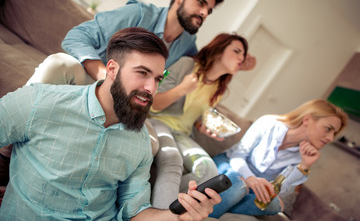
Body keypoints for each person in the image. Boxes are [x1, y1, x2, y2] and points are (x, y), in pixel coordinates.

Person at [0, 27, 221, 221]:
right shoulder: (41, 102)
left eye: (157, 79)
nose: (151, 88)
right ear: (112, 69)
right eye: (142, 73)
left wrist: (179, 215)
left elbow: (136, 213)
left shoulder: (140, 142)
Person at [26, 0, 226, 85]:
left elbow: (205, 64)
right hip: (92, 80)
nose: (203, 13)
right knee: (59, 64)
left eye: (209, 10)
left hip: (123, 103)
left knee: (152, 145)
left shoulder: (187, 43)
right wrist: (103, 74)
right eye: (201, 3)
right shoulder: (138, 14)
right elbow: (76, 36)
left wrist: (236, 59)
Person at [148, 33, 256, 209]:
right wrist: (182, 89)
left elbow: (197, 118)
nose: (241, 58)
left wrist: (203, 127)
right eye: (236, 51)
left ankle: (164, 207)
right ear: (219, 50)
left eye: (243, 56)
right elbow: (154, 103)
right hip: (158, 122)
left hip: (182, 133)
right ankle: (160, 215)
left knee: (208, 171)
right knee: (173, 161)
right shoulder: (186, 65)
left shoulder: (218, 89)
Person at [208, 99, 348, 218]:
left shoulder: (305, 155)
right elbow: (238, 155)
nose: (330, 138)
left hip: (253, 187)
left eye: (334, 134)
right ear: (307, 119)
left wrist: (304, 166)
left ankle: (224, 204)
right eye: (328, 129)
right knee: (239, 186)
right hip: (230, 165)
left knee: (276, 205)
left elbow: (280, 192)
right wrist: (250, 179)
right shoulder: (268, 123)